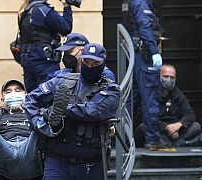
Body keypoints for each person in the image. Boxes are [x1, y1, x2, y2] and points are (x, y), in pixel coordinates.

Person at [24, 43, 120, 179]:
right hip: (57, 162)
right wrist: (39, 124)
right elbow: (30, 100)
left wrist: (62, 109)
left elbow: (95, 111)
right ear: (81, 60)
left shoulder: (111, 89)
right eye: (86, 61)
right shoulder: (63, 81)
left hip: (91, 165)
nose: (90, 66)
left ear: (103, 63)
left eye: (95, 63)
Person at [126, 0, 165, 150]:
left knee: (131, 98)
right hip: (145, 56)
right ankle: (153, 140)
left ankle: (123, 138)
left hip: (138, 55)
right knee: (150, 97)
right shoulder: (142, 3)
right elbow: (145, 29)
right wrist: (154, 51)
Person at [135, 64, 201, 147]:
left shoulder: (177, 93)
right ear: (158, 77)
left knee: (196, 126)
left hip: (177, 132)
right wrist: (167, 128)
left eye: (172, 77)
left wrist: (179, 125)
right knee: (143, 128)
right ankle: (177, 144)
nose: (169, 80)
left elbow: (190, 114)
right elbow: (144, 116)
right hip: (159, 131)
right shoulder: (150, 94)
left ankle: (175, 144)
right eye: (166, 76)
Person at [18, 0, 73, 93]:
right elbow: (65, 28)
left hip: (28, 61)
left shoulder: (25, 11)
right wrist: (67, 6)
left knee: (33, 97)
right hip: (45, 62)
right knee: (49, 96)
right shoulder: (44, 11)